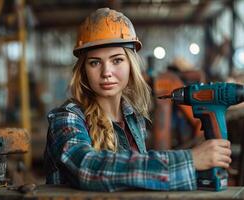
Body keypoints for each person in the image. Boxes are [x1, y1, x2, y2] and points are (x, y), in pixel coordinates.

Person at [43, 8, 232, 192]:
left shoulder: (133, 118)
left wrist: (199, 163)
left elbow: (136, 176)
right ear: (84, 70)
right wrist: (189, 160)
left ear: (131, 65)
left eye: (116, 60)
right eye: (95, 62)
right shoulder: (67, 118)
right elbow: (87, 168)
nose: (106, 72)